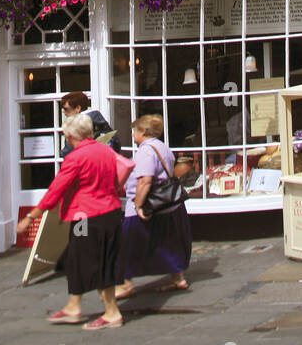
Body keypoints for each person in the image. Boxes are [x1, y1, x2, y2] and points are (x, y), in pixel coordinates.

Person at [16, 113, 124, 329]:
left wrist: (31, 217)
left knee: (85, 260)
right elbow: (116, 181)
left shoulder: (75, 158)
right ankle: (74, 305)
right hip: (111, 213)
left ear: (70, 134)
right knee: (88, 259)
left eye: (65, 133)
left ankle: (111, 312)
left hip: (86, 217)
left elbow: (56, 189)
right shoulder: (106, 151)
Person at [115, 113, 192, 301]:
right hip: (166, 206)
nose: (132, 134)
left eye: (135, 130)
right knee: (166, 242)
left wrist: (139, 205)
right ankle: (178, 278)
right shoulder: (162, 147)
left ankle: (125, 284)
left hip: (147, 205)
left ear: (143, 131)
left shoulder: (146, 151)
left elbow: (145, 181)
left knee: (127, 244)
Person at [59, 91, 122, 157]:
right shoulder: (100, 122)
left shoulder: (76, 126)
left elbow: (69, 153)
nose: (64, 112)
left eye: (66, 109)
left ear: (78, 108)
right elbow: (116, 144)